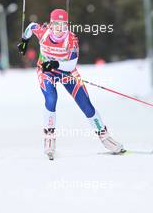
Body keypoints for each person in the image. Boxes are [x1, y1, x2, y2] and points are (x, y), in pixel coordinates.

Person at [18, 9, 125, 159]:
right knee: (51, 99)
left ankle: (105, 137)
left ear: (67, 25)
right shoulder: (43, 32)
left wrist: (55, 64)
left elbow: (71, 64)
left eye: (62, 25)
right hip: (46, 71)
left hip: (66, 72)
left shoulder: (72, 39)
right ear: (51, 24)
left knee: (86, 104)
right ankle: (49, 138)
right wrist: (24, 41)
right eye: (56, 24)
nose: (59, 28)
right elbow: (31, 27)